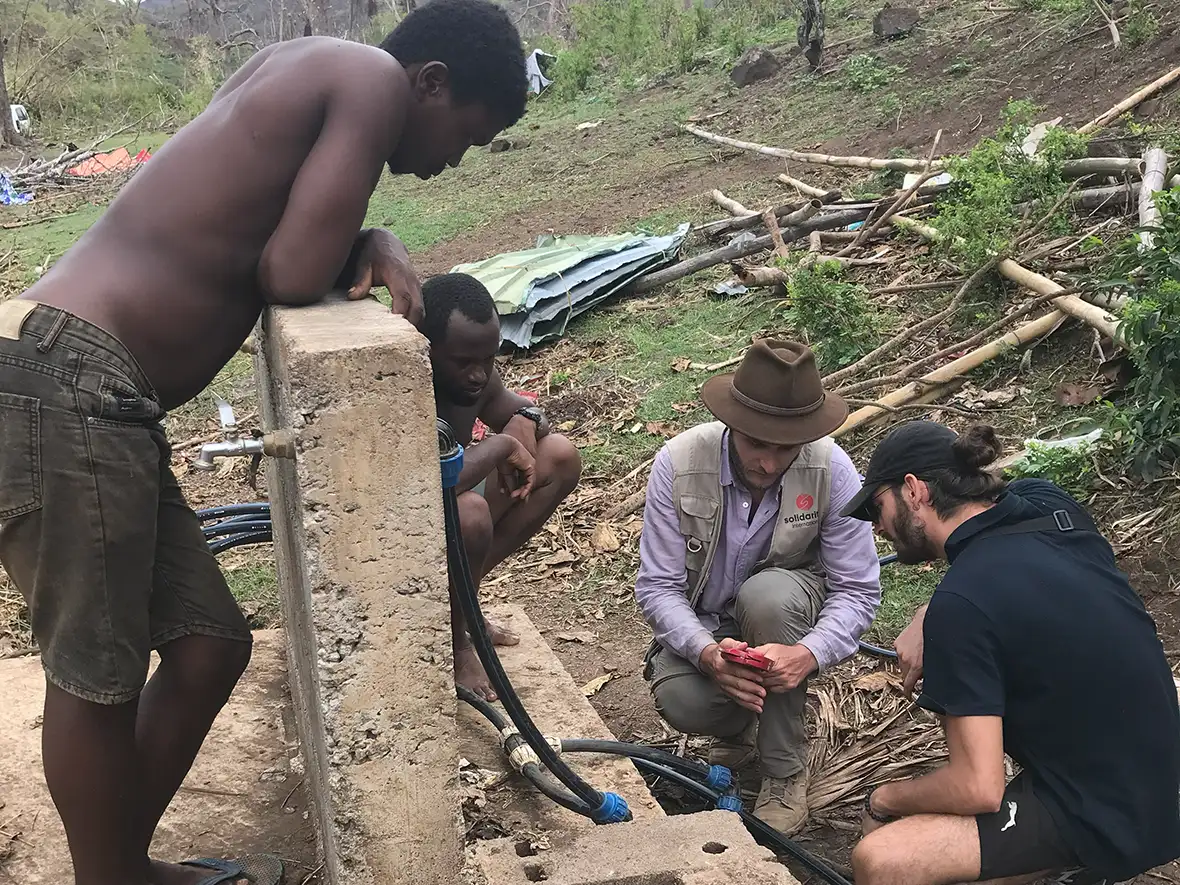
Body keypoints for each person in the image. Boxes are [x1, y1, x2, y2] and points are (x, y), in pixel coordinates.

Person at [0, 4, 528, 884]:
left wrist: (362, 235)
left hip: (92, 387)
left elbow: (270, 236)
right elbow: (288, 270)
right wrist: (378, 236)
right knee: (96, 672)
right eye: (466, 136)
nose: (452, 164)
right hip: (71, 380)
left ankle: (121, 862)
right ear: (430, 83)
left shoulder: (306, 62)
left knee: (211, 640)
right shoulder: (369, 81)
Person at [844, 421, 1180, 885]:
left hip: (1105, 814)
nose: (877, 526)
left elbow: (977, 787)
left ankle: (1084, 864)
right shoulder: (1048, 503)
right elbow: (1001, 578)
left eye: (877, 507)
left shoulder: (963, 608)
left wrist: (883, 799)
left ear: (915, 490)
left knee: (883, 859)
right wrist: (929, 609)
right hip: (1162, 773)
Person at [634, 339, 881, 835]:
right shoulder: (679, 464)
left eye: (785, 448)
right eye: (755, 444)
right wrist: (706, 654)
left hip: (785, 606)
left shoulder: (832, 469)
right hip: (709, 623)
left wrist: (808, 653)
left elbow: (858, 590)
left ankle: (785, 770)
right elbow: (658, 587)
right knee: (685, 701)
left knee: (767, 596)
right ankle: (740, 728)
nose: (768, 463)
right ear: (732, 425)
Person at [422, 273, 582, 701]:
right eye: (463, 362)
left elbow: (529, 413)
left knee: (560, 455)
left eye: (488, 359)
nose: (478, 375)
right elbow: (428, 480)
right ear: (424, 345)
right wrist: (500, 446)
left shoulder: (473, 376)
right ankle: (456, 646)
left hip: (449, 526)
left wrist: (523, 422)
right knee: (470, 512)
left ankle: (463, 610)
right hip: (402, 536)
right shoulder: (405, 384)